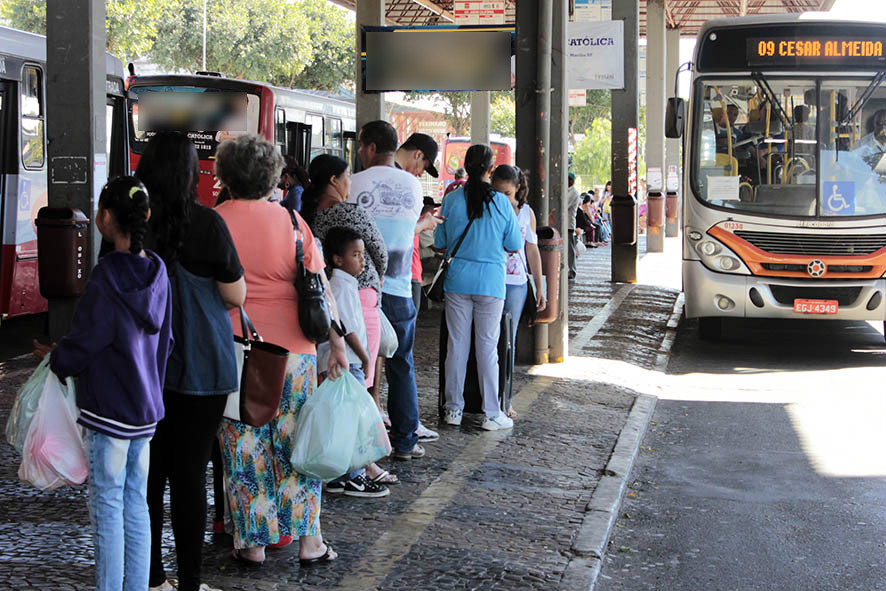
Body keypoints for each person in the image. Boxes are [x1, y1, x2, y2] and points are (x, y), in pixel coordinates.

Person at [214, 134, 348, 566]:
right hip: (296, 352)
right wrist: (338, 342)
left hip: (236, 349)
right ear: (273, 176)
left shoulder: (213, 222)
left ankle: (252, 544)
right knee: (297, 445)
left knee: (244, 446)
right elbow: (321, 289)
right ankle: (310, 542)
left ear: (225, 176)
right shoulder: (293, 223)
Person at [46, 177, 173, 591]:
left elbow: (85, 342)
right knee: (137, 504)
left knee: (106, 506)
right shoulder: (158, 273)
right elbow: (167, 341)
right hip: (145, 411)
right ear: (146, 216)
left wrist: (56, 358)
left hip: (108, 411)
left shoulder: (105, 279)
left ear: (104, 218)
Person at [141, 133, 246, 591]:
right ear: (190, 173)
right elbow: (234, 293)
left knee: (147, 476)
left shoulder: (134, 225)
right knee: (190, 476)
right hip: (202, 366)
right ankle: (190, 582)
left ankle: (149, 576)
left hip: (144, 369)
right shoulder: (207, 224)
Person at [300, 154, 397, 488]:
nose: (349, 182)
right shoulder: (350, 212)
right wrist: (376, 281)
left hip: (333, 311)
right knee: (359, 394)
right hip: (364, 299)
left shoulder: (307, 214)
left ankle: (359, 465)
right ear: (333, 180)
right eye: (346, 177)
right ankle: (359, 467)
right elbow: (379, 251)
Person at [349, 122, 441, 460]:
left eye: (361, 146)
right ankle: (404, 441)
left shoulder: (353, 183)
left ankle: (360, 444)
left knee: (358, 365)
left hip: (360, 291)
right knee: (402, 363)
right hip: (401, 288)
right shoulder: (414, 188)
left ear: (370, 148)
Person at [435, 144, 522, 431]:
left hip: (458, 279)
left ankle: (453, 410)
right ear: (490, 170)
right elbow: (513, 245)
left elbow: (440, 241)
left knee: (456, 346)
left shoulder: (452, 199)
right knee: (487, 348)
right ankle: (491, 413)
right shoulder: (501, 203)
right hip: (491, 283)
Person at [315, 227, 391, 498]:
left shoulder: (345, 284)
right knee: (356, 421)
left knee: (343, 420)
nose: (362, 260)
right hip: (347, 363)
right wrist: (366, 356)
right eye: (356, 255)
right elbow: (346, 328)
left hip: (344, 362)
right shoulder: (340, 286)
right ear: (337, 259)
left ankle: (339, 477)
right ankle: (355, 477)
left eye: (363, 255)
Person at [491, 164, 546, 391]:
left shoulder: (526, 213)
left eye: (507, 194)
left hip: (517, 284)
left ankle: (504, 395)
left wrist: (539, 287)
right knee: (488, 340)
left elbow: (531, 250)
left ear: (518, 189)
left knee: (508, 339)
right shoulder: (488, 209)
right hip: (490, 280)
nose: (502, 199)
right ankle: (488, 395)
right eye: (497, 193)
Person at [566, 172, 581, 280]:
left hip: (568, 224)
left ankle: (572, 270)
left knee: (570, 249)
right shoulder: (568, 191)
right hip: (565, 224)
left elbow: (564, 205)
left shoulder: (573, 193)